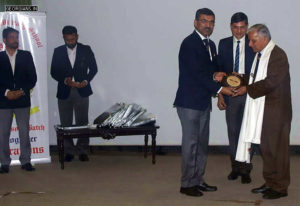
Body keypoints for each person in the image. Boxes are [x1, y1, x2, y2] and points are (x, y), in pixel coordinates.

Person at [173, 8, 233, 197]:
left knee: (201, 145)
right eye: (204, 21)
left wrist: (220, 84)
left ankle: (198, 179)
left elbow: (212, 73)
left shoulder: (211, 45)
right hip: (189, 103)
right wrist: (220, 90)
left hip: (204, 102)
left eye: (211, 22)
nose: (208, 25)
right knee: (191, 144)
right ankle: (187, 184)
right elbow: (196, 74)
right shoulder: (189, 44)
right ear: (196, 23)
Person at [234, 24, 292, 199]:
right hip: (265, 110)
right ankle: (270, 182)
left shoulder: (278, 55)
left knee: (277, 151)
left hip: (276, 112)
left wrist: (247, 89)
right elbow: (255, 78)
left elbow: (270, 82)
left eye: (253, 40)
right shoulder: (261, 55)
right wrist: (239, 79)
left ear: (264, 38)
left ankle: (280, 188)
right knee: (267, 149)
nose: (250, 44)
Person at [217, 12, 255, 183]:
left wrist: (247, 85)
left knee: (248, 133)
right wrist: (219, 94)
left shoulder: (254, 43)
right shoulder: (223, 44)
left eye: (242, 27)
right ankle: (235, 167)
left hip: (249, 93)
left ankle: (246, 169)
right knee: (232, 132)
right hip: (230, 95)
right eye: (235, 27)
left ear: (247, 26)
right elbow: (219, 72)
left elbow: (260, 71)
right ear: (230, 26)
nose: (239, 31)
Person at [51, 25, 98, 162]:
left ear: (77, 36)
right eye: (67, 40)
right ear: (63, 38)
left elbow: (94, 68)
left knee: (82, 122)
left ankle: (83, 150)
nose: (70, 42)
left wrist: (85, 81)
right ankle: (69, 152)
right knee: (66, 123)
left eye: (72, 39)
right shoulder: (58, 51)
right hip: (64, 91)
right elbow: (53, 71)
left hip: (82, 90)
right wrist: (65, 80)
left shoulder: (86, 49)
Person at [0, 27, 37, 173]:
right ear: (4, 40)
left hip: (22, 100)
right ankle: (4, 162)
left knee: (24, 132)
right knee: (2, 133)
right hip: (3, 101)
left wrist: (21, 91)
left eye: (16, 37)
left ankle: (26, 161)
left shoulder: (26, 56)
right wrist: (6, 92)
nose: (15, 40)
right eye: (12, 37)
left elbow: (32, 78)